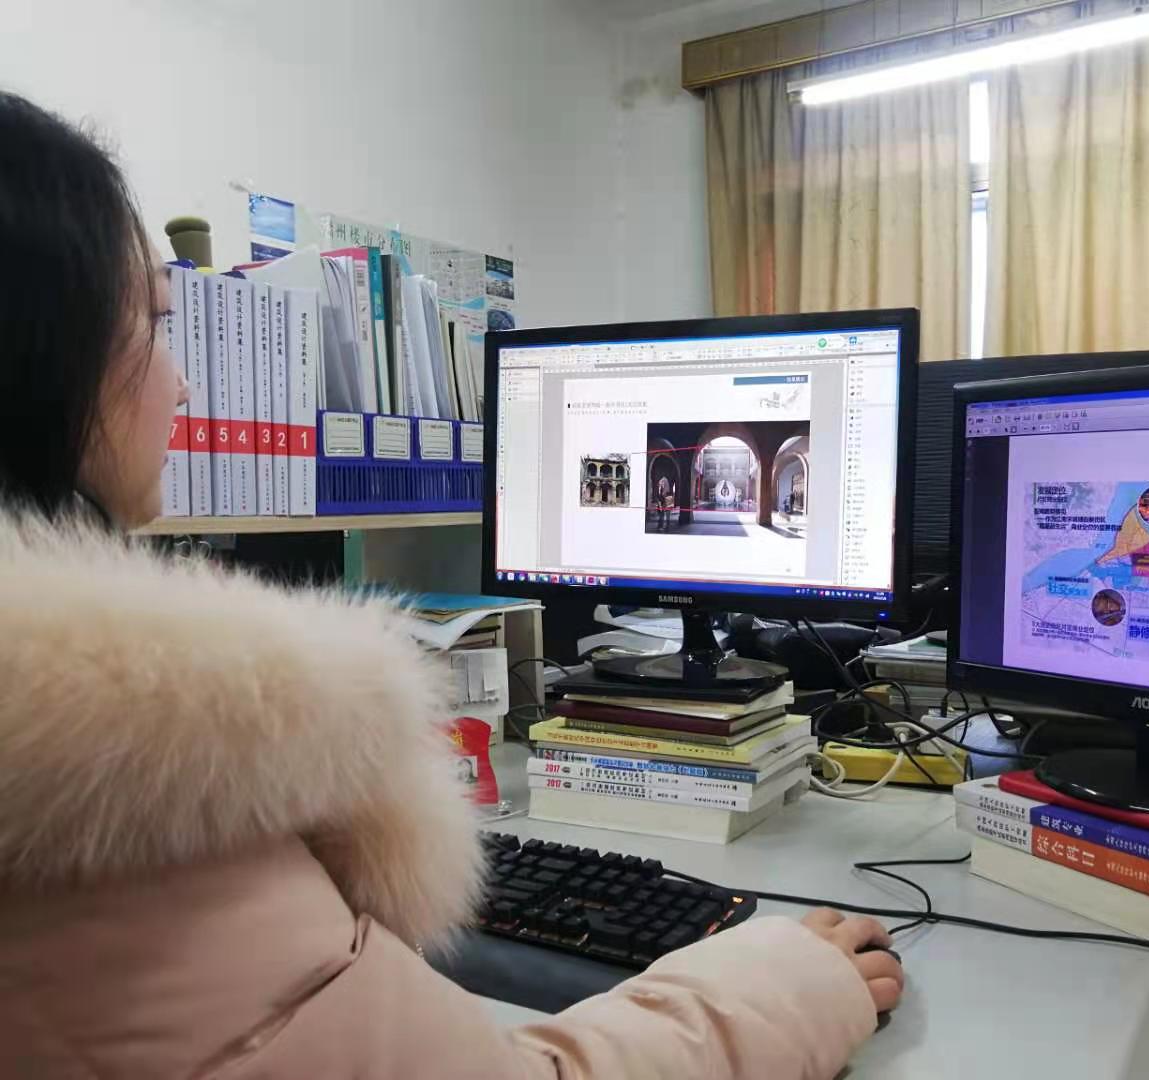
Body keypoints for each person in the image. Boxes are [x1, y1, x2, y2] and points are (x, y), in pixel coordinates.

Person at [0, 92, 902, 1078]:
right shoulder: (128, 773)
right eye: (157, 324)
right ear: (45, 355)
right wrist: (789, 982)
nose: (183, 385)